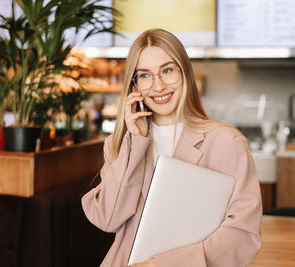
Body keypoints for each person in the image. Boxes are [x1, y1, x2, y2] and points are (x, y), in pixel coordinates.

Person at [81, 29, 262, 267]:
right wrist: (135, 144)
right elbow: (108, 219)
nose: (158, 86)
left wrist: (160, 265)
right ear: (134, 85)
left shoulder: (226, 142)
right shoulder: (119, 144)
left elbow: (242, 234)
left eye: (167, 70)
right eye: (145, 75)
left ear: (184, 72)